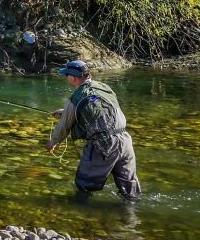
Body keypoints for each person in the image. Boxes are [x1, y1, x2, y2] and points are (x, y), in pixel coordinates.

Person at [46, 60, 141, 200]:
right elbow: (101, 110)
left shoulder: (76, 96)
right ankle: (131, 216)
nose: (66, 78)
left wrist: (53, 142)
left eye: (66, 75)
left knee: (83, 184)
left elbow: (64, 126)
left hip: (103, 144)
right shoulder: (104, 87)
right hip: (125, 140)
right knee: (129, 190)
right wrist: (66, 111)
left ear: (73, 78)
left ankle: (82, 214)